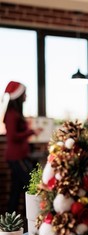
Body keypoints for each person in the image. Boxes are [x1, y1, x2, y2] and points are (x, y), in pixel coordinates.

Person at [1, 81, 42, 213]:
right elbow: (13, 136)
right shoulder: (12, 114)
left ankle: (12, 219)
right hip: (16, 156)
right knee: (32, 185)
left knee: (17, 189)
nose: (26, 96)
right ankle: (34, 215)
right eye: (25, 93)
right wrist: (31, 132)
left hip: (18, 155)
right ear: (19, 95)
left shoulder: (14, 113)